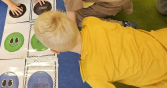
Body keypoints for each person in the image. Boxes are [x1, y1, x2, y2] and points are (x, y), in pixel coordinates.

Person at [34, 10, 167, 87]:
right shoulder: (90, 21)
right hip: (159, 40)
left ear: (55, 51)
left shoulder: (92, 75)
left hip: (159, 76)